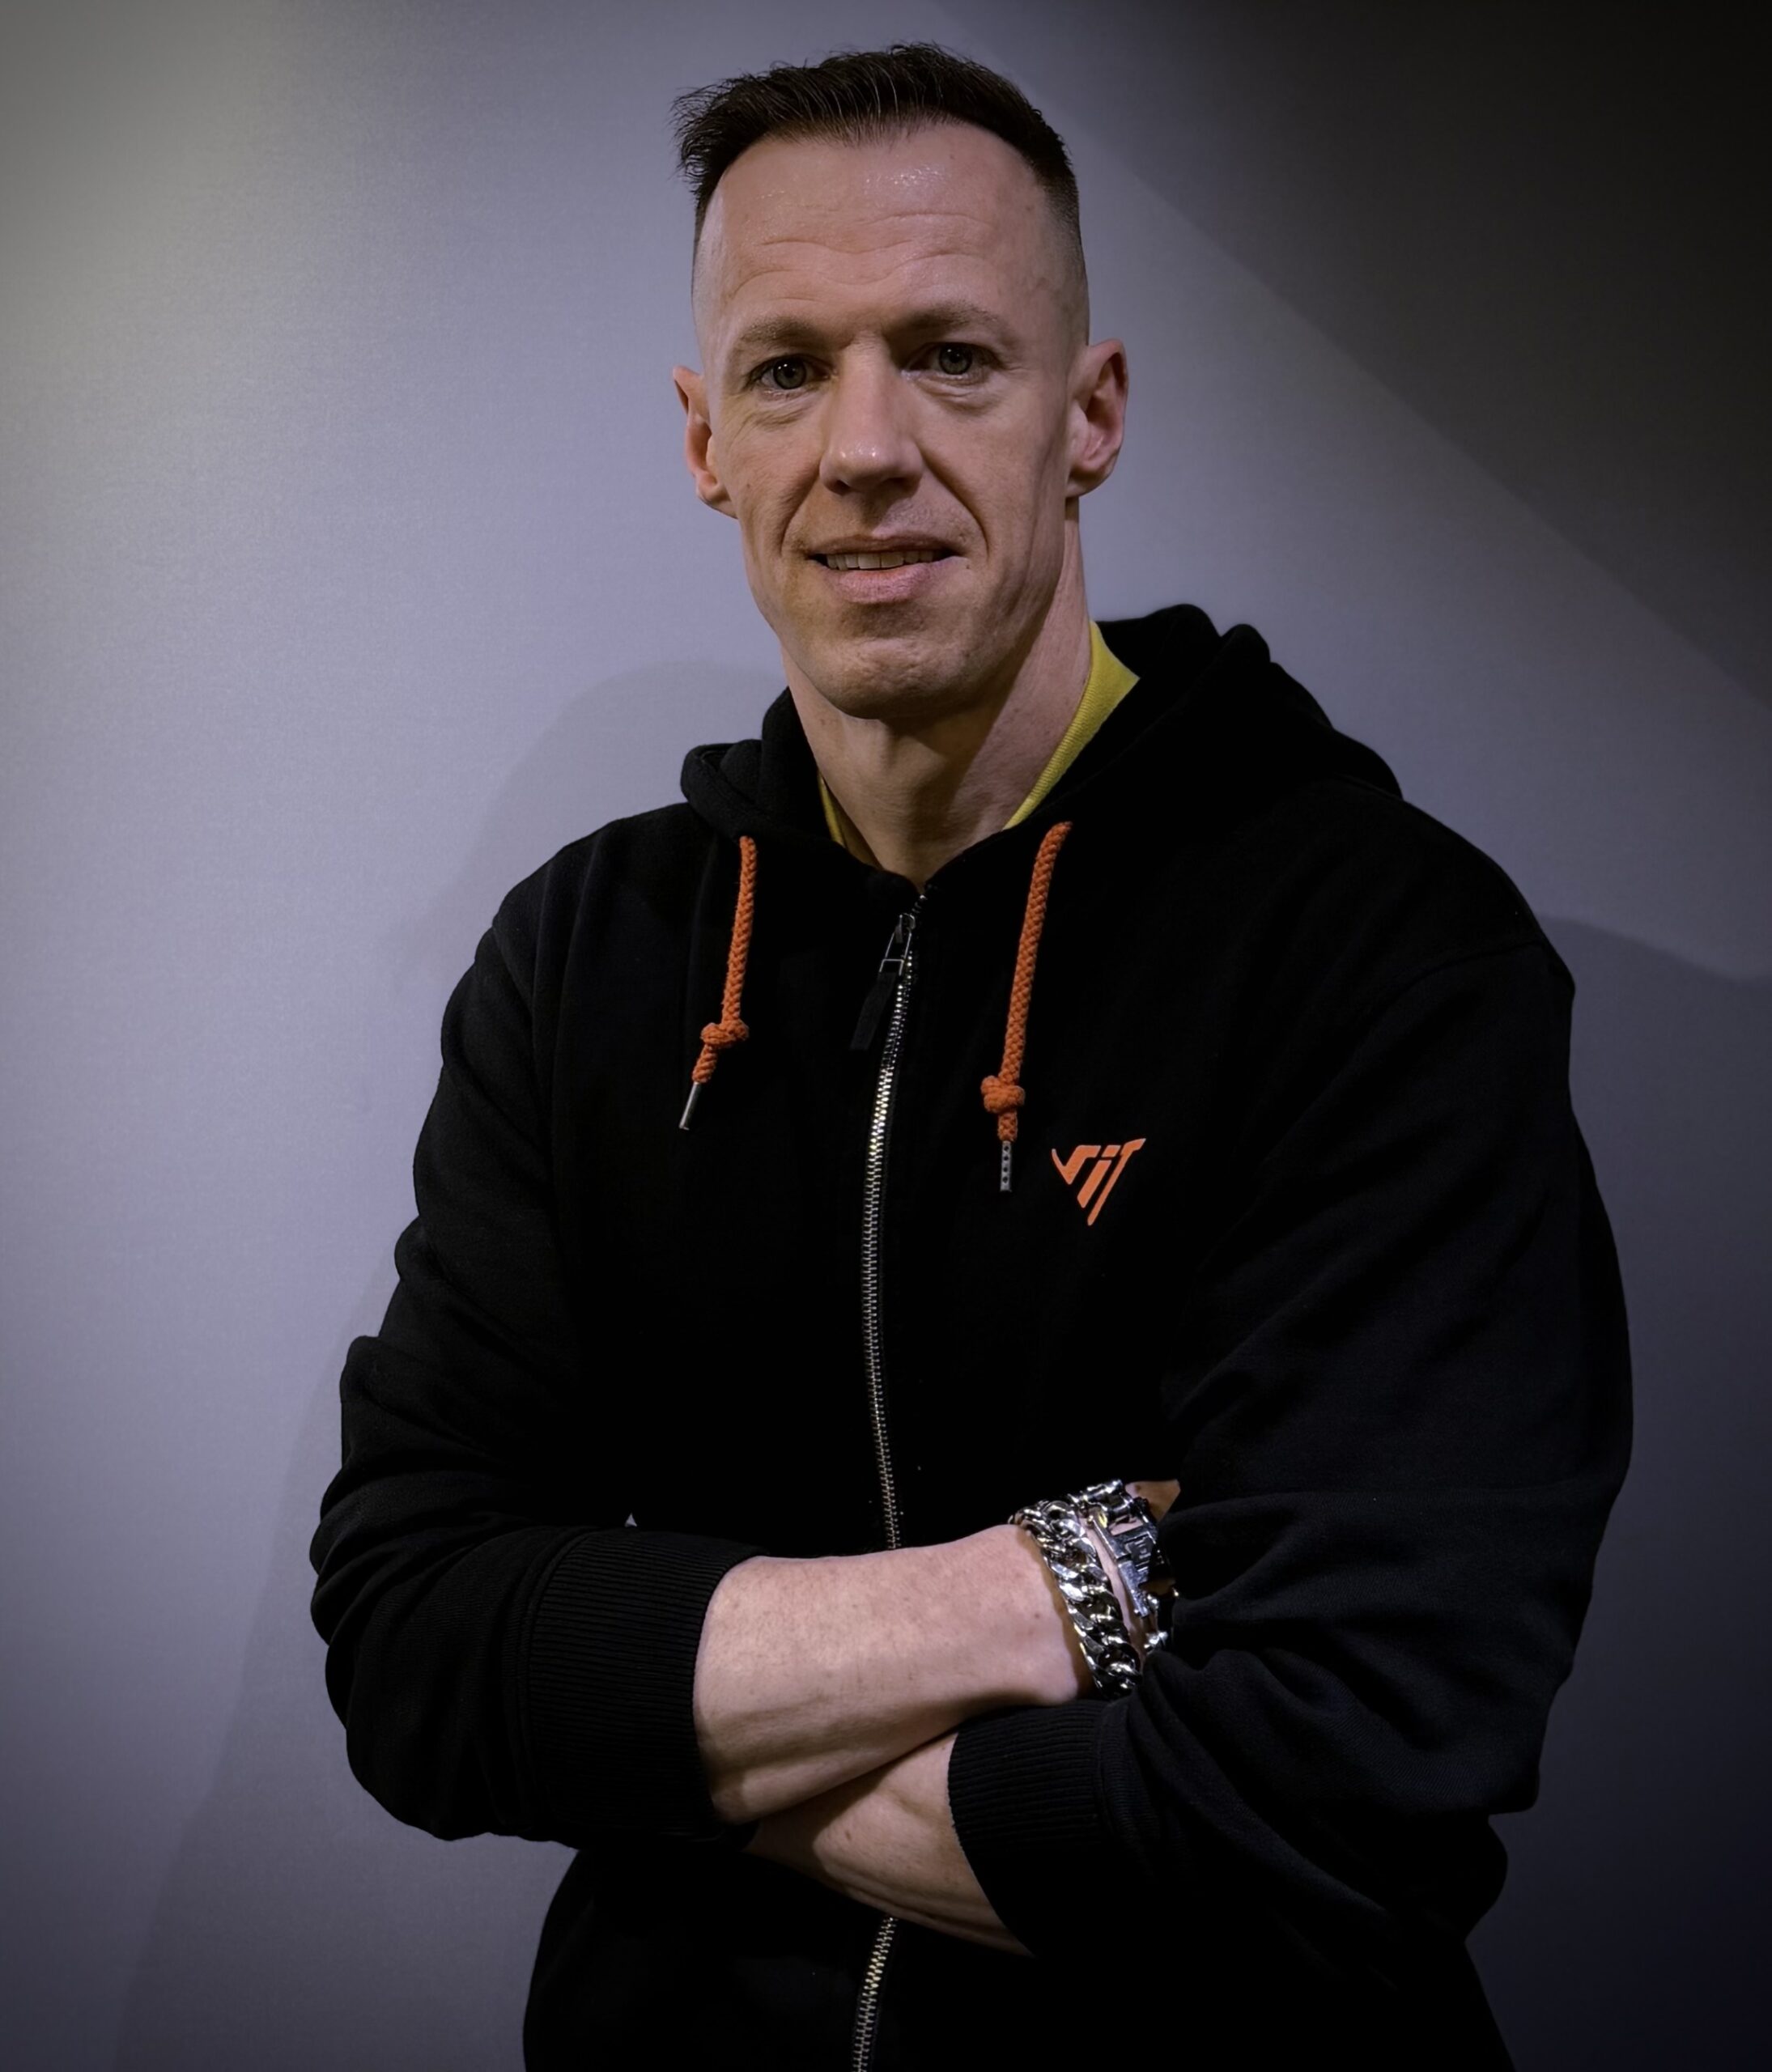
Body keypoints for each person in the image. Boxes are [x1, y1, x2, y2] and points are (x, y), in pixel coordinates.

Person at [309, 41, 1632, 2071]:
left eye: (949, 355)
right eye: (787, 369)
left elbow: (1330, 1796)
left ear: (1089, 411)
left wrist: (651, 1726)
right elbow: (413, 1642)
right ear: (706, 441)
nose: (865, 446)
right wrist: (1057, 1585)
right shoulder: (585, 958)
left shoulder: (1379, 951)